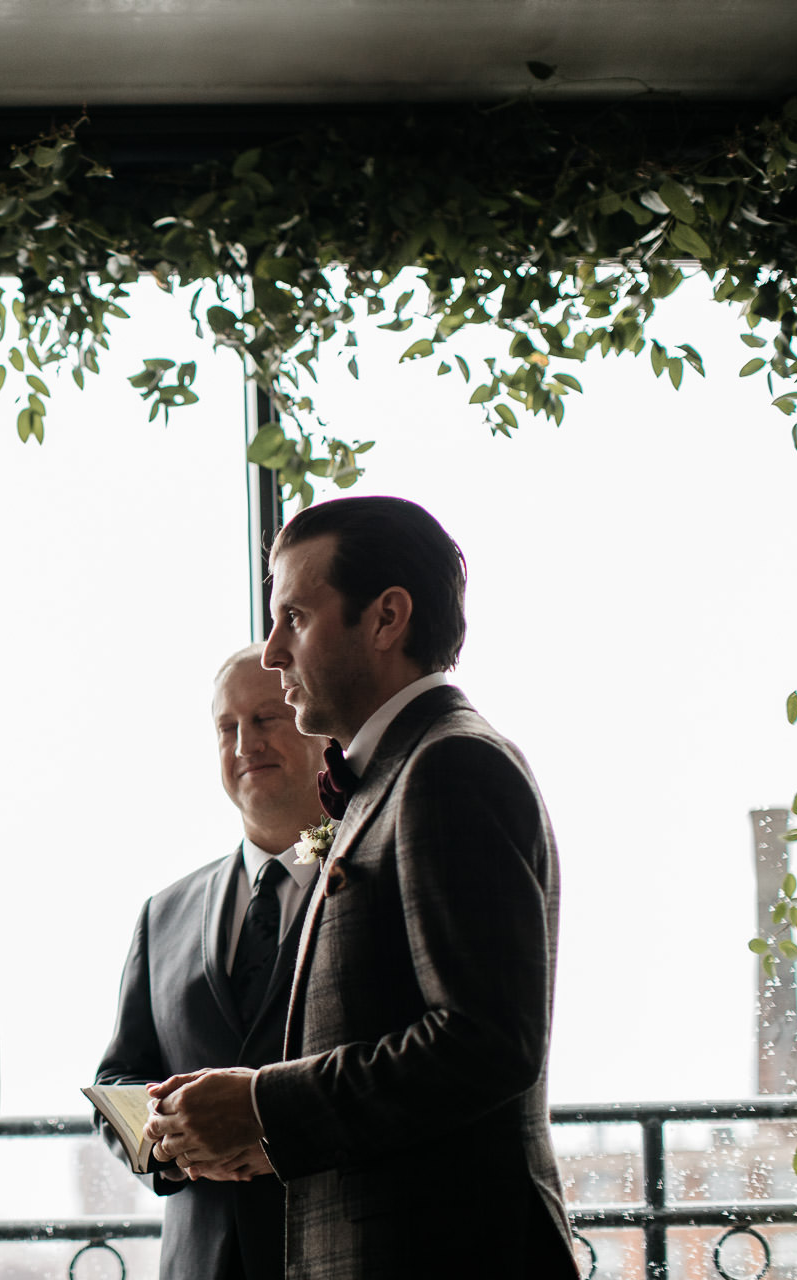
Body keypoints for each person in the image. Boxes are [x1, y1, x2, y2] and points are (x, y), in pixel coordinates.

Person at [142, 495, 577, 1279]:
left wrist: (262, 1106)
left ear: (386, 618)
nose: (272, 652)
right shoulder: (394, 775)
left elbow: (484, 1042)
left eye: (294, 619)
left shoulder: (449, 766)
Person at [94, 644, 328, 1280]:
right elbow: (117, 1082)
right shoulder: (161, 913)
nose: (246, 742)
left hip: (334, 1249)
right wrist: (175, 1146)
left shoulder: (368, 880)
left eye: (267, 718)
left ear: (317, 726)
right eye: (228, 728)